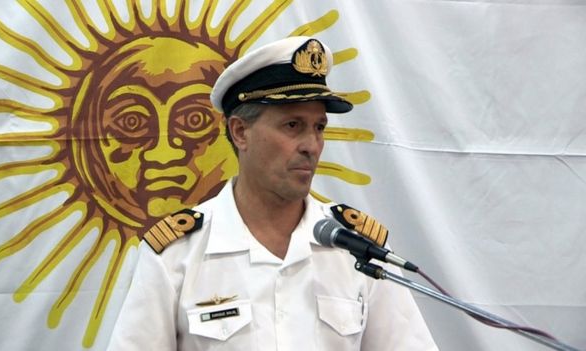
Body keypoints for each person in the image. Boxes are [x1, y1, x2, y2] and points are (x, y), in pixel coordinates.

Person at [107, 36, 438, 350]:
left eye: (319, 127)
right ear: (240, 132)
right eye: (292, 125)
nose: (311, 146)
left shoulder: (357, 249)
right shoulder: (176, 253)